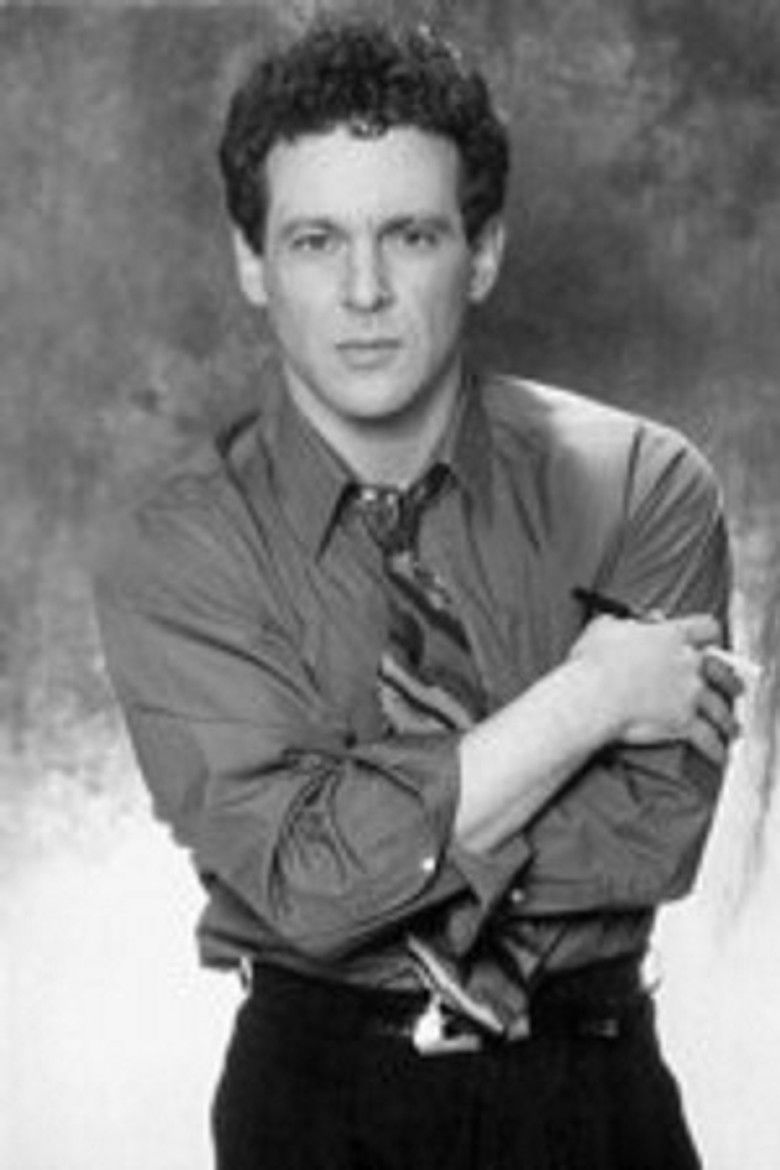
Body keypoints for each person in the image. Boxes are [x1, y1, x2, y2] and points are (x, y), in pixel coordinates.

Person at [93, 17, 743, 1170]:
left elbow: (649, 839)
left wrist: (363, 831)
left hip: (595, 1094)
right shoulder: (178, 544)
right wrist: (588, 702)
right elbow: (301, 884)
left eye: (410, 234)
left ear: (481, 252)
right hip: (315, 1103)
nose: (364, 290)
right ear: (252, 262)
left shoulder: (645, 483)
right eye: (315, 240)